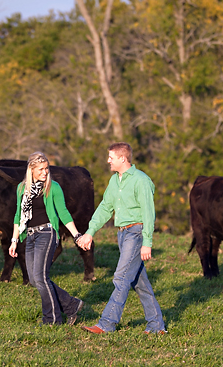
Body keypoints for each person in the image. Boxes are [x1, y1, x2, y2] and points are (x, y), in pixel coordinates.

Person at [76, 142, 167, 335]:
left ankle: (106, 324)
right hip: (122, 234)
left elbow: (148, 213)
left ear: (122, 158)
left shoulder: (141, 180)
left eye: (111, 157)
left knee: (121, 277)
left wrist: (147, 243)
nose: (108, 161)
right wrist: (90, 232)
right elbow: (105, 208)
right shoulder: (114, 181)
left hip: (136, 233)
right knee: (139, 282)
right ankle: (157, 326)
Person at [9, 152, 85, 325]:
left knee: (41, 278)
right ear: (31, 169)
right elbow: (18, 215)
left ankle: (52, 320)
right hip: (29, 235)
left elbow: (63, 213)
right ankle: (71, 304)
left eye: (47, 168)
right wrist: (14, 240)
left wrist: (77, 235)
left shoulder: (53, 187)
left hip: (47, 233)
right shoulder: (22, 188)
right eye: (41, 169)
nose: (45, 172)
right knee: (35, 280)